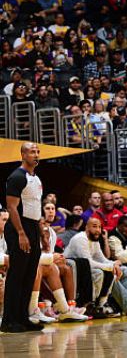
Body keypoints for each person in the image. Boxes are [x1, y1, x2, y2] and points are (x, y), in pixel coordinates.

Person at [1, 143, 46, 333]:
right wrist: (21, 233)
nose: (36, 154)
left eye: (37, 151)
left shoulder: (35, 178)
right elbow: (11, 207)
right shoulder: (17, 177)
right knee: (17, 275)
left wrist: (41, 231)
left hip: (33, 227)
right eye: (32, 152)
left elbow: (35, 207)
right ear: (23, 154)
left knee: (29, 275)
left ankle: (22, 317)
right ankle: (9, 321)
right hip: (19, 227)